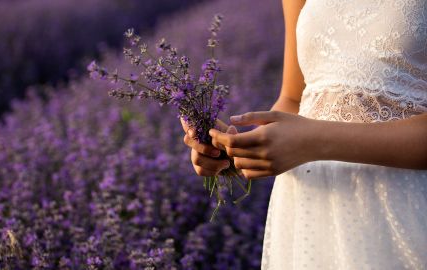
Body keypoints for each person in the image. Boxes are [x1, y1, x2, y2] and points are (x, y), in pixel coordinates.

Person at [181, 0, 427, 268]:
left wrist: (314, 142)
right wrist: (239, 146)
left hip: (404, 206)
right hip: (310, 211)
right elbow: (293, 98)